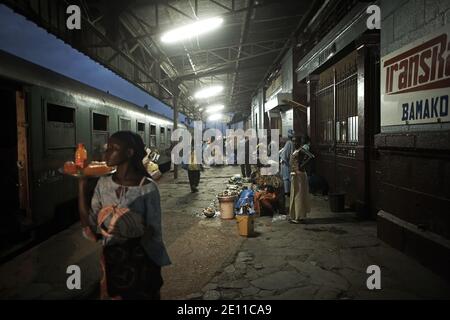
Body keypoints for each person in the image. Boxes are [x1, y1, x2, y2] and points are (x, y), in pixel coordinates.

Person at [78, 131, 171, 299]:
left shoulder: (148, 188)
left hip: (141, 262)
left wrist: (127, 228)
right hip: (112, 261)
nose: (106, 152)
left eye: (113, 148)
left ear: (129, 153)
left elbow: (154, 233)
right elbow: (90, 224)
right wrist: (82, 184)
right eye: (107, 148)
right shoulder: (103, 183)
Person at [289, 136, 312, 224]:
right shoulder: (295, 150)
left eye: (296, 141)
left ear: (300, 142)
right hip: (295, 174)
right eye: (294, 141)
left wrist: (301, 166)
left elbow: (311, 156)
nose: (295, 143)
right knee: (295, 194)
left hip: (300, 175)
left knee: (298, 195)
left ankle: (298, 217)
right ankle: (296, 215)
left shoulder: (301, 149)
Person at [279, 130, 294, 197]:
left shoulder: (288, 143)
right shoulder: (290, 143)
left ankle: (286, 192)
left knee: (286, 178)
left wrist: (285, 160)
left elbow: (284, 153)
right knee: (287, 178)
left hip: (285, 162)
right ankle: (287, 192)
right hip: (286, 162)